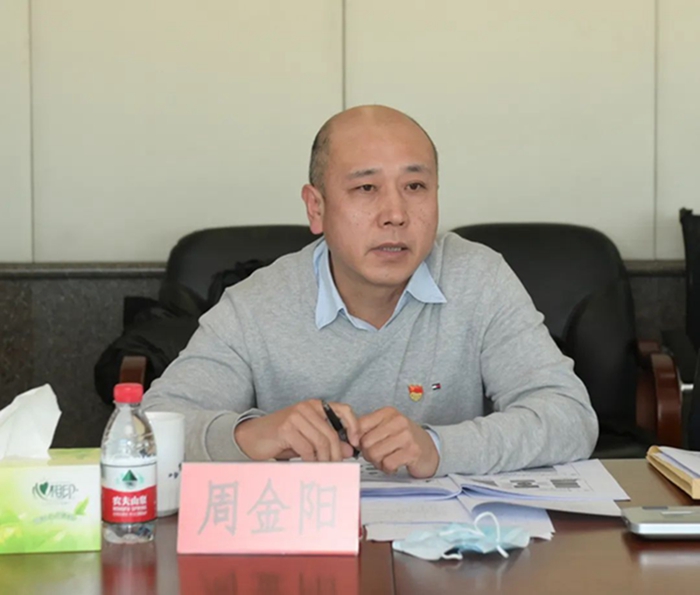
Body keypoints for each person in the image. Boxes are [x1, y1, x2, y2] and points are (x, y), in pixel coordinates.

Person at [142, 105, 598, 478]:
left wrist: (439, 447)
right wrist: (250, 436)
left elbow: (570, 417)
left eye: (415, 186)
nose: (395, 214)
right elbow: (150, 429)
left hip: (448, 547)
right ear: (316, 208)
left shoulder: (478, 278)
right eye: (366, 188)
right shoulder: (256, 304)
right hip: (308, 547)